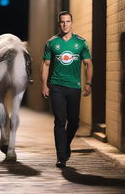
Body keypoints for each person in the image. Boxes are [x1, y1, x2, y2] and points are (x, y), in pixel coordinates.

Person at [41, 11, 93, 168]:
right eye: (62, 22)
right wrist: (44, 84)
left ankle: (65, 145)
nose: (65, 24)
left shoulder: (81, 43)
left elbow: (88, 64)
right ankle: (61, 157)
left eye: (68, 21)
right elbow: (45, 64)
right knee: (59, 121)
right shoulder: (51, 43)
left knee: (74, 122)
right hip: (56, 86)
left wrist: (88, 83)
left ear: (72, 23)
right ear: (59, 24)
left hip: (74, 87)